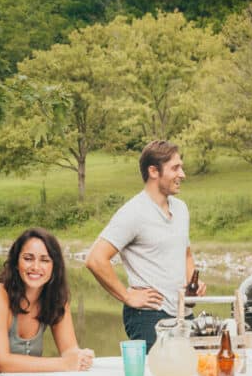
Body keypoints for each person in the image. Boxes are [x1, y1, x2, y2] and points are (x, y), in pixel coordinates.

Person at [85, 140, 207, 347]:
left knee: (189, 375)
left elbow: (185, 254)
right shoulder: (134, 212)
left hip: (183, 314)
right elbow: (95, 259)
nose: (182, 175)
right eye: (175, 168)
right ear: (153, 171)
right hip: (149, 316)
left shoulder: (181, 209)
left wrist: (191, 287)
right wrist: (126, 296)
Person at [0, 227, 94, 376]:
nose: (36, 267)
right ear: (16, 261)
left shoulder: (56, 299)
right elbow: (2, 362)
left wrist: (79, 357)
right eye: (28, 258)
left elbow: (70, 350)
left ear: (55, 266)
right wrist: (64, 364)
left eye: (44, 260)